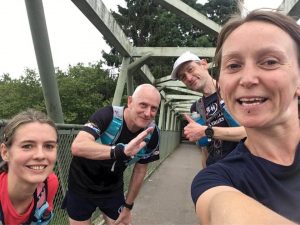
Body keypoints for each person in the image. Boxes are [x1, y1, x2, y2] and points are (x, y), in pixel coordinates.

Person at [191, 9, 300, 224]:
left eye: (270, 62)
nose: (247, 79)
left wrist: (207, 131)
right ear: (221, 83)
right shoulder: (216, 181)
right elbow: (220, 207)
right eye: (233, 66)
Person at [63, 84, 161, 225]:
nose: (148, 113)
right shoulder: (109, 115)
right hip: (81, 187)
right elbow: (78, 146)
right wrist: (119, 151)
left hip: (112, 190)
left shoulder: (153, 134)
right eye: (143, 105)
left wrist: (128, 207)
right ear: (130, 102)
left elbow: (140, 170)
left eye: (154, 108)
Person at [171, 51, 246, 167]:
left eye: (190, 69)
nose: (189, 78)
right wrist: (205, 171)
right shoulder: (196, 108)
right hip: (215, 168)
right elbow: (205, 148)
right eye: (183, 77)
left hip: (241, 167)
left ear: (204, 64)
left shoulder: (232, 91)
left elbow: (252, 134)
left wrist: (207, 131)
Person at [0, 109, 59, 225]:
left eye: (49, 146)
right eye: (27, 146)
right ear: (5, 152)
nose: (40, 155)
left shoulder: (50, 183)